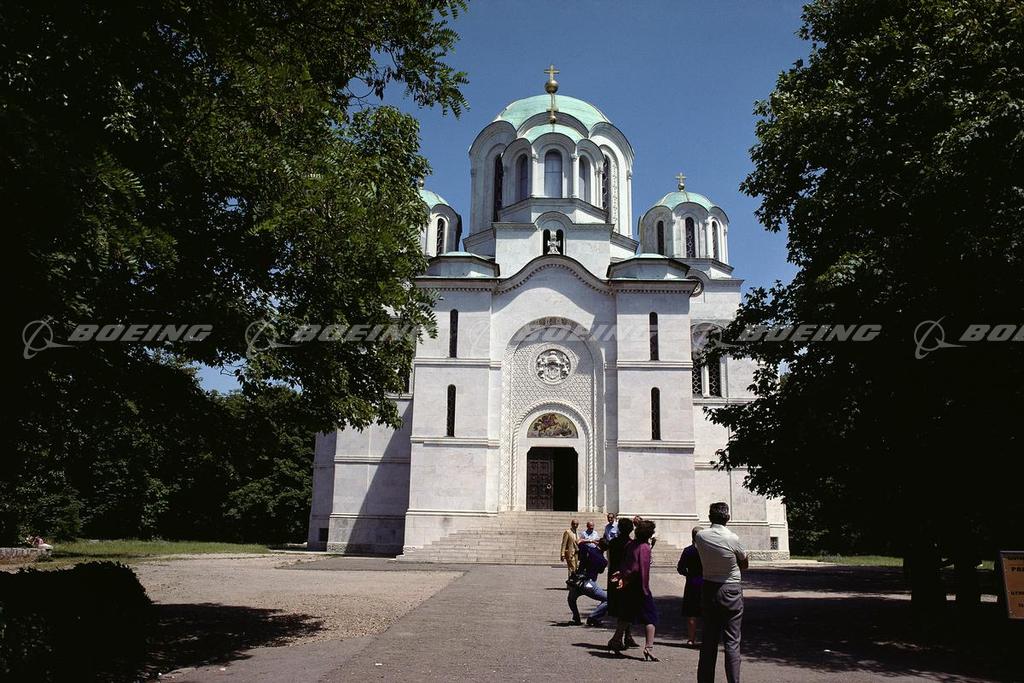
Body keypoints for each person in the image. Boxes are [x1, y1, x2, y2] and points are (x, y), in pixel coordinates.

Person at [695, 502, 748, 683]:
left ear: (710, 517)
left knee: (708, 641)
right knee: (732, 641)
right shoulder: (733, 538)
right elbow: (744, 563)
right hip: (731, 587)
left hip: (709, 587)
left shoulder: (701, 536)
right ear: (728, 518)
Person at [610, 519, 659, 661]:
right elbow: (640, 568)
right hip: (639, 586)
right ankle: (649, 647)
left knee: (626, 615)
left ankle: (615, 640)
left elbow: (626, 562)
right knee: (651, 617)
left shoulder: (631, 544)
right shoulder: (644, 547)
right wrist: (644, 588)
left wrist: (623, 574)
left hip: (628, 586)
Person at [605, 516, 639, 650]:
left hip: (613, 576)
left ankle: (627, 636)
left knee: (622, 608)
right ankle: (618, 639)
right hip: (625, 578)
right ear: (631, 529)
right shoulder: (631, 544)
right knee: (626, 608)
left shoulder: (613, 542)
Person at [567, 541, 609, 625]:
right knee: (608, 599)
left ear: (598, 543)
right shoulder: (603, 561)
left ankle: (576, 618)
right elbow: (600, 571)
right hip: (589, 584)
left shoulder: (588, 549)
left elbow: (579, 542)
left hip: (577, 582)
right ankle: (593, 617)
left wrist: (591, 541)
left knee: (571, 599)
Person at [677, 525, 705, 646]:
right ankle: (707, 638)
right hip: (706, 581)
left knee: (692, 612)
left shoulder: (688, 550)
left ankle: (691, 639)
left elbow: (680, 568)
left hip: (692, 582)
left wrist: (688, 574)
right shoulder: (708, 550)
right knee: (706, 611)